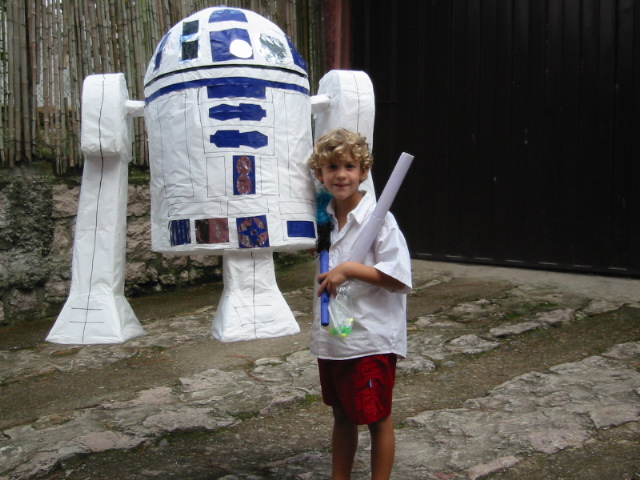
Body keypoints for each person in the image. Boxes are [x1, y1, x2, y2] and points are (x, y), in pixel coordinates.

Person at [308, 128, 412, 480]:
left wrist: (350, 269)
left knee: (377, 417)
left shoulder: (379, 221)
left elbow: (399, 278)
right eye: (332, 167)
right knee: (341, 414)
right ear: (320, 174)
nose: (341, 175)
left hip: (369, 338)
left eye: (349, 166)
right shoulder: (322, 220)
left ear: (364, 172)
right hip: (334, 338)